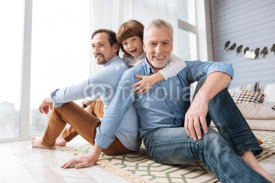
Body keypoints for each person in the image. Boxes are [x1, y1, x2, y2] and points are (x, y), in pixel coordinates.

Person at [62, 19, 275, 182]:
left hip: (188, 125)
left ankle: (248, 158)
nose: (159, 50)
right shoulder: (132, 76)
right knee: (208, 137)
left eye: (165, 43)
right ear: (144, 46)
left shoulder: (182, 67)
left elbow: (224, 68)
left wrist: (201, 98)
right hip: (158, 138)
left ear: (172, 44)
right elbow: (115, 113)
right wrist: (94, 154)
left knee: (211, 83)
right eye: (153, 44)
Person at [56, 19, 187, 146]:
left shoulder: (154, 57)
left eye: (133, 40)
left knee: (98, 105)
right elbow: (110, 84)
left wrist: (154, 78)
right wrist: (89, 100)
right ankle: (65, 136)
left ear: (143, 39)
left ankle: (65, 136)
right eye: (125, 43)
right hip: (129, 99)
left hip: (141, 105)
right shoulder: (128, 60)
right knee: (96, 104)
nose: (130, 46)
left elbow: (180, 63)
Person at [31, 29, 141, 160]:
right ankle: (63, 138)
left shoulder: (112, 71)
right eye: (93, 46)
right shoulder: (121, 64)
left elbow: (74, 91)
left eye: (101, 45)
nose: (95, 51)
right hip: (132, 140)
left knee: (62, 105)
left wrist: (47, 98)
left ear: (115, 47)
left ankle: (45, 142)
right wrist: (84, 104)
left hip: (117, 143)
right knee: (96, 104)